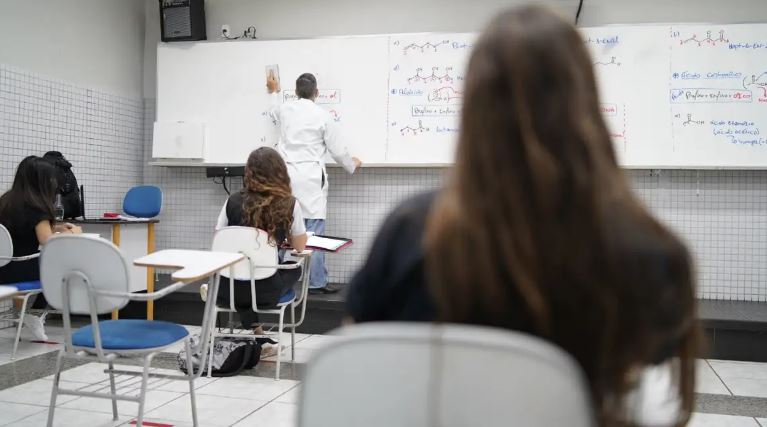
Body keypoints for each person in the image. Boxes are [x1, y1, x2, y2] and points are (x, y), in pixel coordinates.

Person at [346, 6, 699, 427]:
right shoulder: (653, 254)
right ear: (585, 103)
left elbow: (358, 361)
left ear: (473, 109)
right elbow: (652, 404)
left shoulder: (411, 233)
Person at [267, 71, 361, 294]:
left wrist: (273, 91)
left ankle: (275, 277)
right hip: (310, 178)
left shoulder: (285, 109)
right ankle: (316, 282)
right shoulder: (323, 116)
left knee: (284, 228)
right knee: (314, 234)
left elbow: (273, 112)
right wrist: (352, 165)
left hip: (287, 177)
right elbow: (338, 151)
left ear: (296, 92)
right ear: (316, 93)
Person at [211, 147, 308, 333]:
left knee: (247, 273)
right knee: (295, 269)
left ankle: (258, 333)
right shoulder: (289, 203)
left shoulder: (231, 201)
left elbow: (218, 239)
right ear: (280, 172)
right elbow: (299, 246)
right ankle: (259, 337)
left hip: (226, 289)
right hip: (265, 293)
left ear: (249, 172)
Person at [0, 156, 82, 340]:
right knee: (62, 267)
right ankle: (35, 313)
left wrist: (58, 227)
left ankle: (30, 315)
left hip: (3, 270)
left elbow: (22, 230)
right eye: (51, 178)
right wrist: (73, 232)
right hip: (21, 273)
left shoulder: (5, 201)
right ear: (42, 181)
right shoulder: (37, 207)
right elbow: (47, 240)